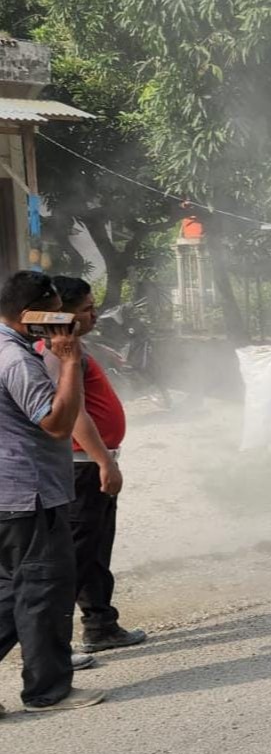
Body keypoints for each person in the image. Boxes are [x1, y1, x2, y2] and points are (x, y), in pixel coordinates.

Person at [0, 270, 105, 714]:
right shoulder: (18, 360)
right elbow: (58, 423)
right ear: (31, 315)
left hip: (13, 493)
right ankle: (48, 691)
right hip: (31, 492)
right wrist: (66, 361)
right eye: (55, 312)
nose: (62, 321)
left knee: (12, 592)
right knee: (44, 590)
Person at [42, 277, 146, 654]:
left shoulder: (76, 350)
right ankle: (54, 647)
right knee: (76, 556)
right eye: (86, 309)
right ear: (62, 314)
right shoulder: (58, 354)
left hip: (91, 463)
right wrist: (104, 461)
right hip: (82, 465)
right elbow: (74, 414)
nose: (95, 315)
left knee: (96, 550)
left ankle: (101, 623)